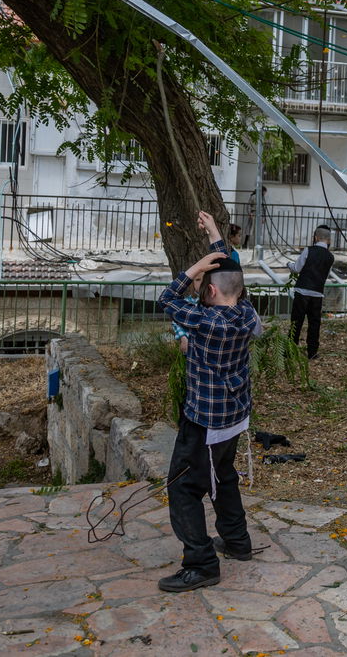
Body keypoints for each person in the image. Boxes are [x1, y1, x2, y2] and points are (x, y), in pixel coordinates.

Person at [155, 211, 260, 593]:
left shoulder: (205, 321)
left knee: (183, 488)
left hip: (204, 421)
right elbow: (232, 272)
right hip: (233, 417)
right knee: (224, 477)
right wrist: (215, 236)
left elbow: (167, 297)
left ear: (210, 291)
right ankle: (236, 541)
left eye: (204, 284)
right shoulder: (247, 314)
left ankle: (200, 563)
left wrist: (196, 265)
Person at [289, 225, 334, 359]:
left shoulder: (308, 250)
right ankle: (312, 352)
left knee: (296, 322)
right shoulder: (331, 257)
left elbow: (297, 268)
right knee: (314, 323)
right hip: (317, 293)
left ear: (315, 237)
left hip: (302, 291)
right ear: (329, 240)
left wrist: (289, 265)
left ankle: (290, 351)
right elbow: (326, 274)